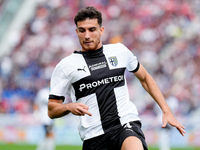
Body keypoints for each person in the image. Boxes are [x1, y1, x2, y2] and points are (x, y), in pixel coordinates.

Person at [48, 6, 185, 150]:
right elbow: (52, 109)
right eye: (82, 30)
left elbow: (145, 78)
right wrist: (69, 107)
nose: (87, 35)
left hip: (125, 124)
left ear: (101, 30)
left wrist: (166, 110)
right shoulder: (65, 66)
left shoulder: (119, 51)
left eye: (92, 29)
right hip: (93, 136)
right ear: (76, 32)